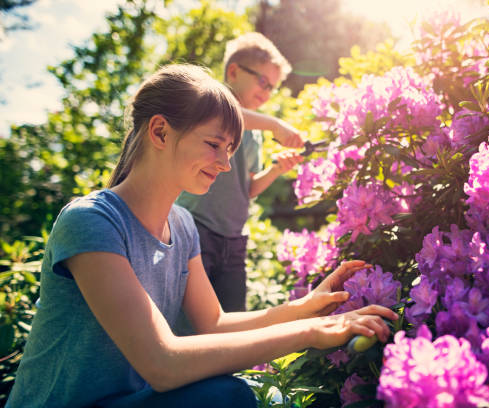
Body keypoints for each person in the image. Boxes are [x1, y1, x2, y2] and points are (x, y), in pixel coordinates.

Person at [6, 64, 397, 408]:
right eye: (214, 145)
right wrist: (309, 332)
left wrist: (305, 308)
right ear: (159, 131)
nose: (226, 164)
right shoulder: (92, 221)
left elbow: (213, 324)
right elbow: (163, 363)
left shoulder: (183, 226)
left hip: (125, 401)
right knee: (228, 397)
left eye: (229, 149)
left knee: (231, 393)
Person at [176, 32, 304, 312]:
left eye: (272, 87)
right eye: (262, 81)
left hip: (233, 241)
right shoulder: (211, 106)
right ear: (233, 72)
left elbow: (250, 189)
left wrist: (275, 169)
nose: (267, 92)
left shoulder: (254, 132)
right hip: (197, 231)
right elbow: (228, 114)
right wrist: (275, 125)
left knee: (232, 318)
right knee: (191, 320)